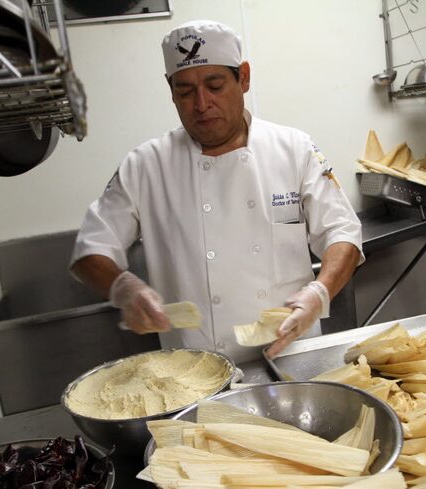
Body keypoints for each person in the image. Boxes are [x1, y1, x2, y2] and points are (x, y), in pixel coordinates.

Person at [70, 19, 363, 363]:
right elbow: (89, 251)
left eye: (215, 85)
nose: (201, 103)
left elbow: (342, 232)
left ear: (244, 77)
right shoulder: (145, 165)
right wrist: (124, 289)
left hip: (293, 356)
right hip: (193, 371)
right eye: (184, 91)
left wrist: (319, 292)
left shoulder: (294, 149)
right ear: (170, 90)